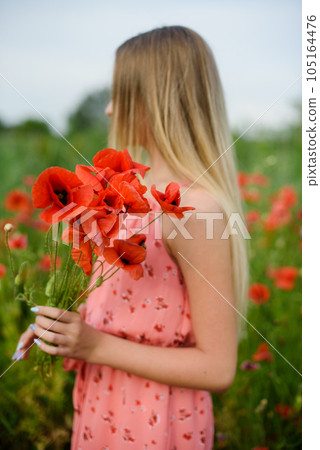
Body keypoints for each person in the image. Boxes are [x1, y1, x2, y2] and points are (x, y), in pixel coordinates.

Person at [14, 26, 248, 449]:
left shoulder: (192, 209)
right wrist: (66, 329)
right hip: (103, 403)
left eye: (119, 94)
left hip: (156, 422)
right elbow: (127, 313)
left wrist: (92, 345)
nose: (108, 110)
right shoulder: (128, 196)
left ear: (156, 100)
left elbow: (218, 369)